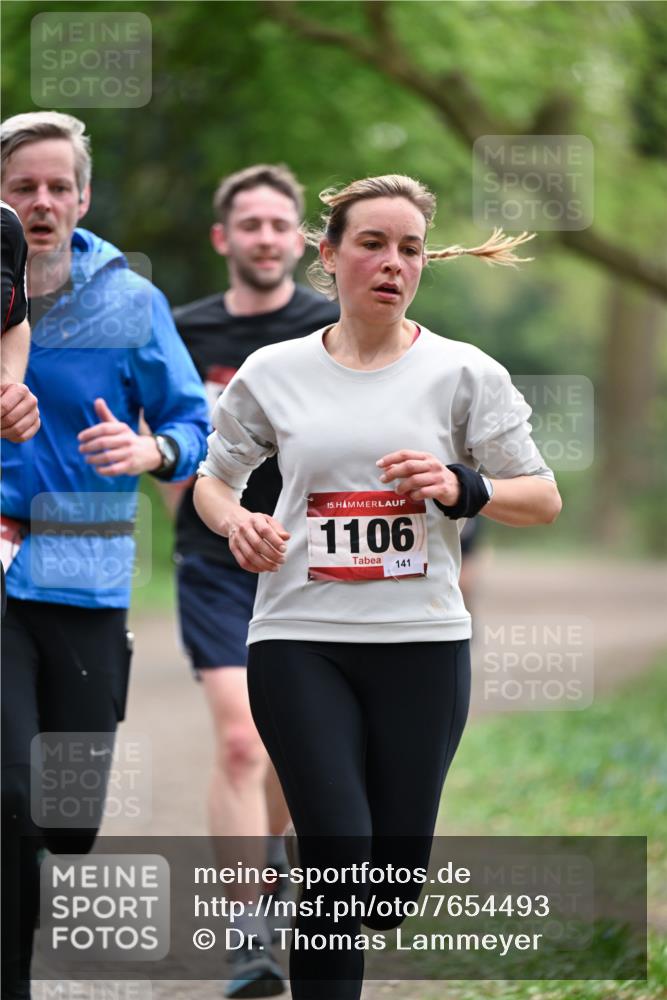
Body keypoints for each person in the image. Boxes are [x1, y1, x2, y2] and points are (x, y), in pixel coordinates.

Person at [193, 174, 562, 1000]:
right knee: (340, 862)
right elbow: (215, 480)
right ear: (327, 257)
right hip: (298, 637)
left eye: (409, 249)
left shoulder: (465, 373)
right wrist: (235, 524)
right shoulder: (274, 371)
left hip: (421, 642)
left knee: (385, 888)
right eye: (371, 244)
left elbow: (540, 498)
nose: (392, 262)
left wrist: (462, 485)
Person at [0, 111, 210, 999]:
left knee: (66, 819)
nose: (42, 202)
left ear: (82, 197)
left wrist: (149, 451)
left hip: (86, 582)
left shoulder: (132, 301)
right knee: (10, 798)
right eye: (22, 187)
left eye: (58, 187)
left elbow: (192, 423)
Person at [167, 164, 339, 996]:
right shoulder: (182, 328)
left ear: (300, 239)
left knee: (288, 747)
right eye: (250, 225)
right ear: (223, 238)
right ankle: (248, 935)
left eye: (281, 225)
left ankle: (265, 854)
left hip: (317, 561)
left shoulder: (330, 324)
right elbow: (163, 429)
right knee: (241, 738)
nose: (266, 238)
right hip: (214, 560)